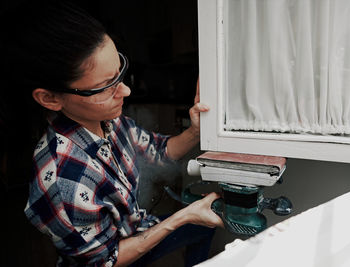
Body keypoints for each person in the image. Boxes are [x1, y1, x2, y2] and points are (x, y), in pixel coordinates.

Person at [2, 1, 223, 266]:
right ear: (50, 99)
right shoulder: (63, 180)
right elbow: (106, 259)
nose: (126, 91)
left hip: (136, 232)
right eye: (106, 86)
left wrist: (195, 132)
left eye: (120, 72)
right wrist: (183, 217)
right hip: (110, 258)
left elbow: (158, 152)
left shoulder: (108, 120)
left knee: (203, 226)